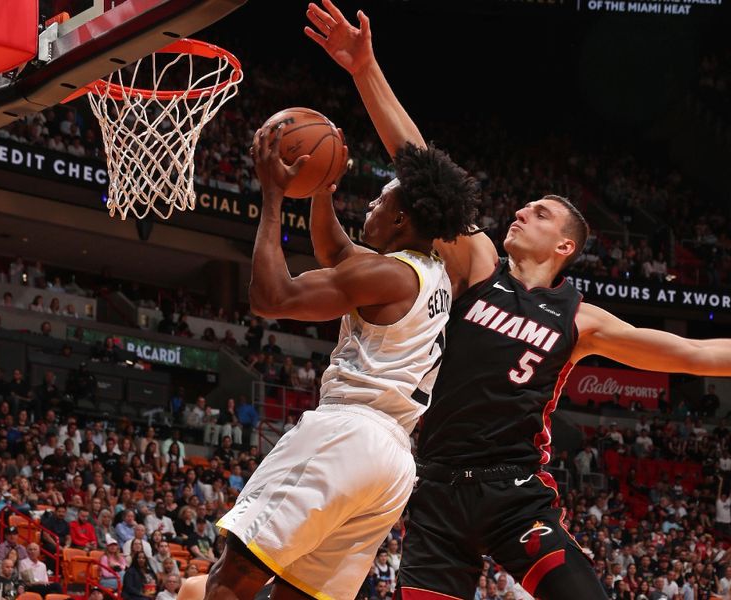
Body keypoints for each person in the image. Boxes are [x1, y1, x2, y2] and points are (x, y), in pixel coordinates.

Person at [305, 2, 731, 599]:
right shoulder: (478, 262)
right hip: (437, 489)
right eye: (525, 204)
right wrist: (364, 68)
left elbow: (692, 354)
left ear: (563, 244)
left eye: (541, 211)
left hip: (516, 494)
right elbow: (423, 170)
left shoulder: (579, 318)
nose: (522, 210)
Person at [204, 74, 476, 600]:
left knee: (232, 580)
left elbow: (271, 298)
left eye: (378, 201)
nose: (368, 206)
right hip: (394, 465)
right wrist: (321, 189)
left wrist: (273, 195)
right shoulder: (430, 273)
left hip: (346, 434)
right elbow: (336, 254)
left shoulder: (386, 275)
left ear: (400, 218)